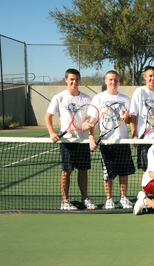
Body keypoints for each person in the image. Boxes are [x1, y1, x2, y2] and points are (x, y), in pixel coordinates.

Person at [45, 68, 97, 210]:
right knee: (66, 172)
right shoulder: (59, 97)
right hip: (67, 141)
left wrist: (88, 123)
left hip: (82, 141)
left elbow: (90, 118)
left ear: (80, 80)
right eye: (72, 79)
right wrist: (51, 132)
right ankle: (65, 202)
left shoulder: (86, 98)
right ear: (66, 80)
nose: (75, 82)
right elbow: (48, 116)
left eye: (77, 79)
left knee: (83, 171)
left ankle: (85, 198)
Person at [88, 70, 135, 209]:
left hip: (123, 141)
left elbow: (127, 121)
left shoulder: (125, 98)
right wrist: (92, 138)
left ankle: (123, 198)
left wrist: (126, 117)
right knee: (107, 173)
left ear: (119, 82)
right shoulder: (98, 98)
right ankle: (109, 199)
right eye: (110, 80)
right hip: (107, 142)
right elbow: (93, 120)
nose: (113, 82)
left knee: (124, 172)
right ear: (105, 81)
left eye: (115, 80)